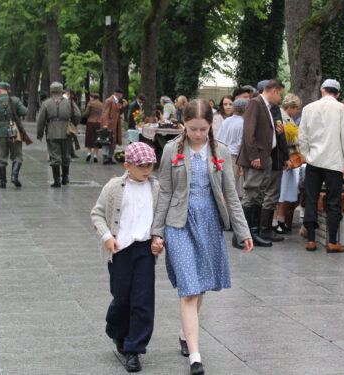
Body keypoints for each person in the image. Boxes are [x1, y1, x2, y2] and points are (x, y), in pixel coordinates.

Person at [151, 99, 253, 375]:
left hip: (208, 222)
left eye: (203, 129)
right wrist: (157, 232)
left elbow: (231, 194)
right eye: (193, 128)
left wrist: (242, 231)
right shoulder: (172, 150)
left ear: (211, 126)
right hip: (178, 223)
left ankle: (186, 334)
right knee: (189, 289)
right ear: (184, 123)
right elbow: (164, 192)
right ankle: (195, 356)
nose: (198, 134)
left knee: (201, 285)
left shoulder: (220, 150)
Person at [91, 142, 162, 373]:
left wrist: (158, 239)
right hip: (119, 250)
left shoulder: (156, 188)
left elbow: (161, 220)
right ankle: (118, 333)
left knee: (142, 300)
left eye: (150, 165)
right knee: (121, 298)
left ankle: (135, 349)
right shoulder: (114, 186)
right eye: (141, 166)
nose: (146, 170)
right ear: (127, 165)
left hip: (143, 250)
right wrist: (106, 237)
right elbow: (97, 213)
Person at [299, 79, 344, 253]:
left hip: (314, 160)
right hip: (334, 161)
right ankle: (332, 241)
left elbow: (303, 136)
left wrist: (307, 155)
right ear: (337, 94)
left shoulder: (308, 109)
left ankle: (311, 240)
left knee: (311, 198)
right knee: (333, 201)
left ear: (322, 90)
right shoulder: (343, 110)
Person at [237, 79, 287, 247]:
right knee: (250, 195)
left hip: (265, 157)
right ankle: (241, 236)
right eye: (280, 94)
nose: (280, 98)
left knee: (258, 195)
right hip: (257, 158)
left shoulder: (267, 107)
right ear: (272, 91)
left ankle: (254, 232)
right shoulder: (255, 104)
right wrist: (253, 156)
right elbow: (248, 132)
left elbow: (261, 130)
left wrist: (275, 130)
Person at [36, 82, 81, 187]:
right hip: (67, 131)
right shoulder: (69, 102)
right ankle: (65, 178)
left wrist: (40, 133)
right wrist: (73, 124)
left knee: (54, 155)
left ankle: (57, 180)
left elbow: (41, 120)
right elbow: (78, 114)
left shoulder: (46, 103)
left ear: (51, 91)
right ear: (62, 91)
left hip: (52, 131)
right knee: (66, 155)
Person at [0, 82, 28, 189]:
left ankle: (2, 182)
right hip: (14, 130)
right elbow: (24, 112)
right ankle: (14, 176)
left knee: (1, 157)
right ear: (8, 91)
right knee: (17, 155)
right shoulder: (15, 101)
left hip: (0, 132)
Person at [274, 93, 302, 234]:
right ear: (291, 107)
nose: (298, 112)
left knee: (285, 193)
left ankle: (281, 220)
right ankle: (275, 221)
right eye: (297, 109)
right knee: (281, 193)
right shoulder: (281, 118)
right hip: (286, 160)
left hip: (290, 160)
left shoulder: (288, 118)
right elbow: (284, 141)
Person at [216, 98, 247, 200]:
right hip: (233, 157)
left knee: (222, 184)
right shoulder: (243, 123)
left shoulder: (226, 121)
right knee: (231, 186)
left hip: (221, 154)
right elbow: (240, 144)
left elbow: (218, 138)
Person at [100, 88, 126, 164]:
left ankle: (110, 157)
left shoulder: (117, 101)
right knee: (107, 140)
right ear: (118, 94)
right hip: (110, 124)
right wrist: (105, 124)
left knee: (113, 141)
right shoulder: (109, 100)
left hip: (116, 124)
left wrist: (123, 106)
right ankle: (105, 157)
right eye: (121, 94)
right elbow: (105, 112)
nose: (122, 96)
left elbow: (118, 112)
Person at [84, 93, 104, 163]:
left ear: (92, 97)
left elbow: (86, 113)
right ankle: (95, 155)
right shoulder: (101, 104)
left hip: (90, 122)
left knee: (89, 138)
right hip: (98, 123)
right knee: (97, 139)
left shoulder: (90, 103)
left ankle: (89, 153)